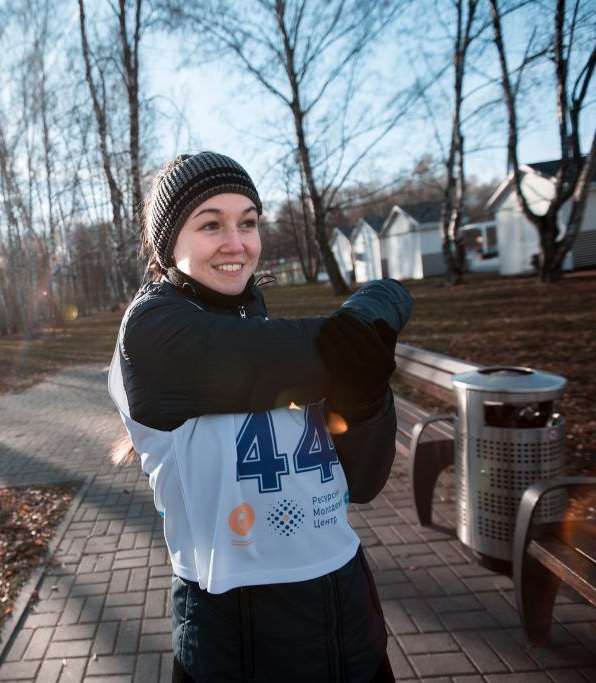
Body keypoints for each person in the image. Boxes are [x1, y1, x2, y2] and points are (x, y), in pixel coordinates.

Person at [107, 152, 413, 682]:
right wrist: (375, 311)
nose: (236, 242)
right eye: (210, 225)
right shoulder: (151, 334)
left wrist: (364, 396)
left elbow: (361, 481)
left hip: (349, 621)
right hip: (237, 640)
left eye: (248, 222)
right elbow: (296, 353)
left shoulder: (276, 337)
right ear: (168, 243)